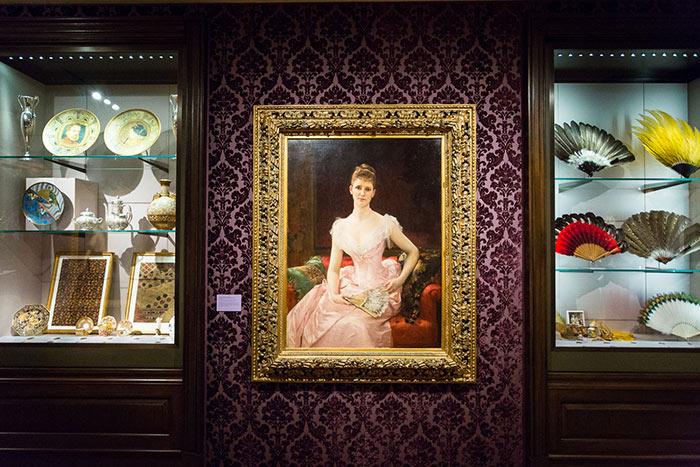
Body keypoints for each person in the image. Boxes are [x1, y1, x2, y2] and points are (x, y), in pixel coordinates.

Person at [286, 163, 419, 348]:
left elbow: (414, 251)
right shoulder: (341, 227)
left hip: (379, 288)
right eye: (358, 187)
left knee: (352, 325)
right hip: (352, 285)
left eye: (367, 189)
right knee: (315, 319)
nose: (362, 193)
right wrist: (333, 294)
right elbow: (333, 269)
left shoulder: (385, 223)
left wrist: (400, 280)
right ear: (351, 189)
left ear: (373, 192)